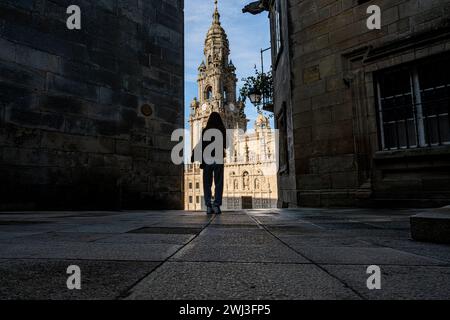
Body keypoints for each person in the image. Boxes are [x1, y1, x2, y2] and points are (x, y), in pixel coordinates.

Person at [191, 112, 227, 215]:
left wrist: (194, 155)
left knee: (207, 183)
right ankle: (216, 206)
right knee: (218, 183)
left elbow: (201, 144)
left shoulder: (206, 130)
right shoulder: (222, 130)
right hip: (218, 159)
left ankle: (208, 206)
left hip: (207, 159)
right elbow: (227, 145)